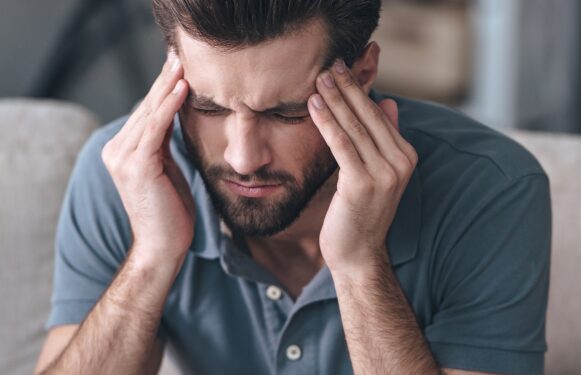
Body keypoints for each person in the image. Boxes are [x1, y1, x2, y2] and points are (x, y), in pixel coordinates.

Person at [35, 1, 551, 374]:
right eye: (209, 107)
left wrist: (359, 265)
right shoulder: (128, 174)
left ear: (364, 73)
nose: (242, 156)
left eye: (284, 112)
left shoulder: (492, 190)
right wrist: (150, 258)